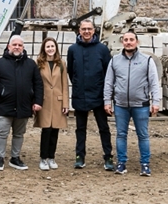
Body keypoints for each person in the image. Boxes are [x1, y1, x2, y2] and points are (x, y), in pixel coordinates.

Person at [104, 30, 161, 176]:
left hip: (140, 105)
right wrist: (107, 101)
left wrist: (156, 101)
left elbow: (154, 83)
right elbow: (109, 82)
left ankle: (145, 164)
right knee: (121, 135)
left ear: (137, 42)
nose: (128, 42)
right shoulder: (115, 60)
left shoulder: (147, 60)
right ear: (122, 41)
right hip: (121, 105)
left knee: (143, 135)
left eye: (131, 39)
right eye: (125, 39)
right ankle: (121, 163)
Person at [0, 34, 43, 171]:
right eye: (14, 45)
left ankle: (15, 158)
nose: (17, 47)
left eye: (20, 45)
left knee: (19, 134)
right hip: (4, 106)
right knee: (1, 133)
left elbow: (38, 84)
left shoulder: (31, 64)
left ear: (23, 47)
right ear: (8, 46)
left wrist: (38, 101)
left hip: (24, 106)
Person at [67, 19, 114, 170]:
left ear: (94, 31)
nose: (86, 32)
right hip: (80, 94)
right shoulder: (73, 50)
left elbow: (109, 72)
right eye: (83, 29)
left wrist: (106, 95)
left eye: (89, 29)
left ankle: (108, 157)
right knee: (80, 128)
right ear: (79, 31)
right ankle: (80, 156)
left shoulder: (102, 49)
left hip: (99, 95)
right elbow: (70, 71)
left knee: (103, 128)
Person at [33, 37, 69, 171]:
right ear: (44, 49)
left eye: (52, 46)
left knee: (55, 130)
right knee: (46, 129)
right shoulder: (39, 63)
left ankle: (52, 157)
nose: (50, 49)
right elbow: (36, 83)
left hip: (58, 102)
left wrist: (65, 103)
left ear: (56, 48)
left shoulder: (61, 64)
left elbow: (65, 85)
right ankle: (43, 158)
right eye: (47, 47)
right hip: (44, 101)